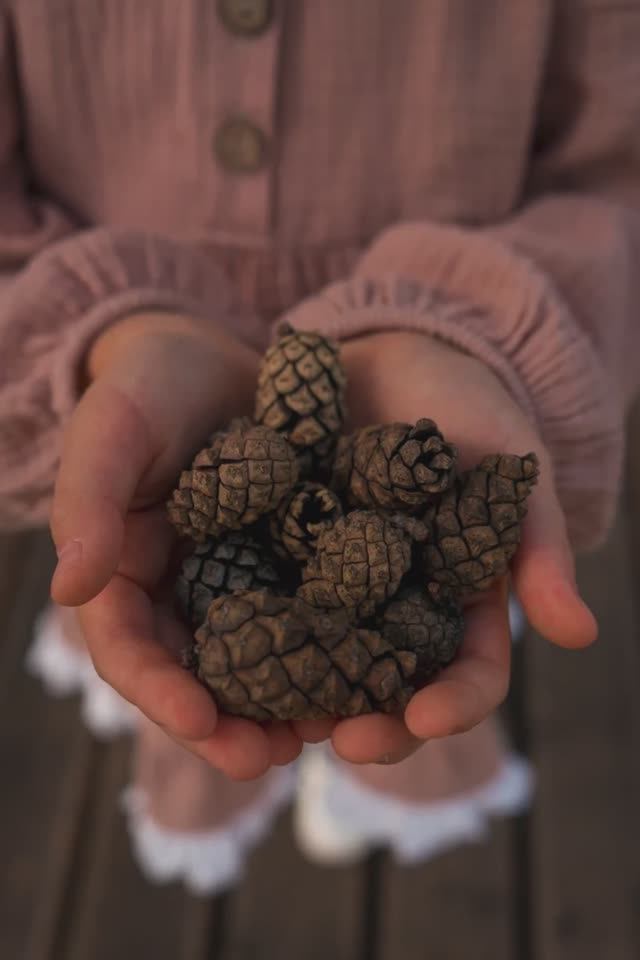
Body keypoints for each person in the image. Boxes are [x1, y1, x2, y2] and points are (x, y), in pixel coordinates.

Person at [2, 1, 638, 894]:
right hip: (146, 436)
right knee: (172, 659)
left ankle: (373, 781)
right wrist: (112, 332)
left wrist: (472, 335)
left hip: (437, 342)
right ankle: (220, 791)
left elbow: (615, 168)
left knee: (403, 690)